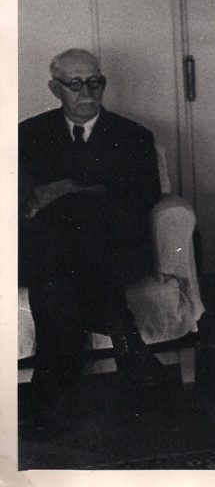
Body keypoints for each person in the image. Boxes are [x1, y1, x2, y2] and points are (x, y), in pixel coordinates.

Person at [19, 48, 165, 432]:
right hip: (49, 252)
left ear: (104, 84)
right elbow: (17, 199)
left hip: (111, 251)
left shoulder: (134, 137)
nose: (87, 92)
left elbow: (143, 198)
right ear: (55, 89)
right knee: (60, 255)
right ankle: (122, 328)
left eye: (94, 82)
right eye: (75, 84)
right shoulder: (28, 135)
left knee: (59, 276)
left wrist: (68, 188)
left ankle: (49, 397)